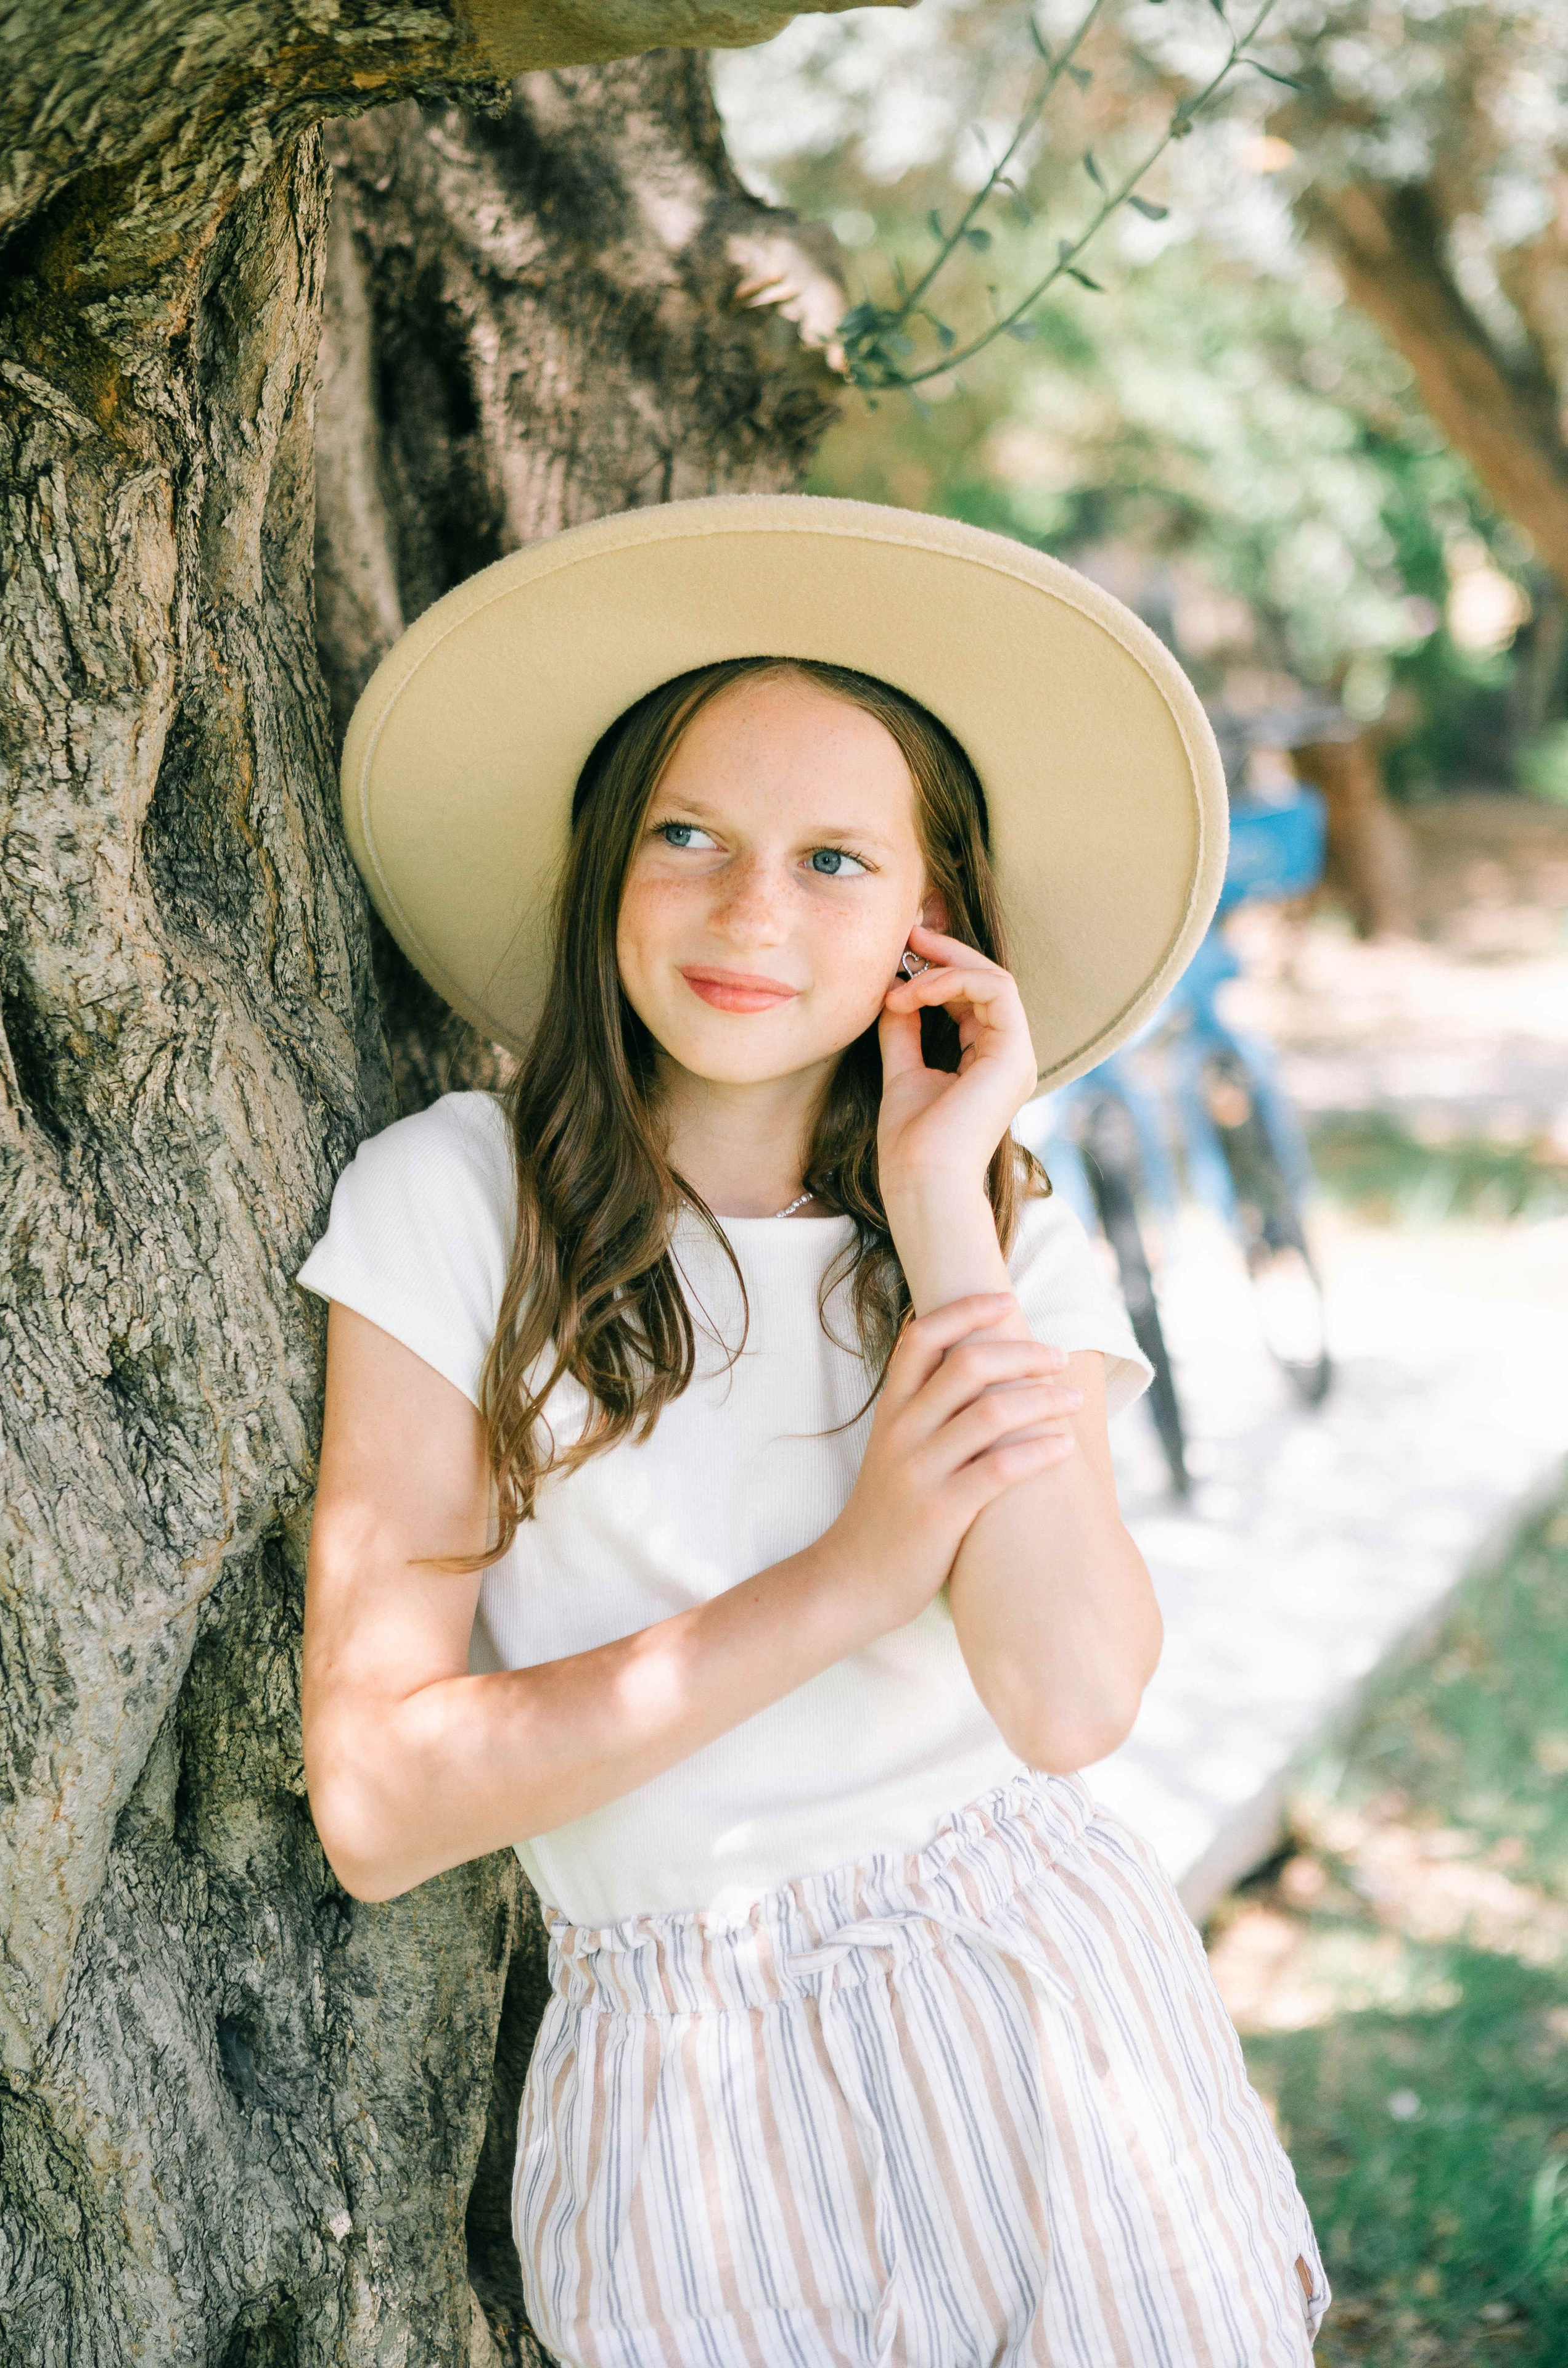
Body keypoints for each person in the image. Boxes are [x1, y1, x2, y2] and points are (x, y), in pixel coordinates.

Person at [294, 496, 1329, 2366]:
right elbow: (377, 1808)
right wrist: (853, 1579)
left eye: (837, 859)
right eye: (688, 834)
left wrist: (945, 1214)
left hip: (1042, 1998)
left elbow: (1072, 1700)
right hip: (688, 2073)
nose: (750, 910)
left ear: (931, 929)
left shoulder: (997, 1234)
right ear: (607, 866)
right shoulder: (451, 1205)